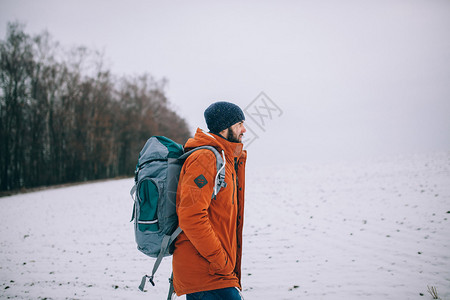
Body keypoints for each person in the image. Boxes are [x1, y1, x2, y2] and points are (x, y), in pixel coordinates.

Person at [172, 101, 247, 299]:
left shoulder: (224, 158)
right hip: (207, 273)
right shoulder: (206, 158)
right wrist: (220, 261)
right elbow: (191, 215)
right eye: (239, 124)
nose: (244, 129)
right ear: (225, 127)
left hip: (213, 273)